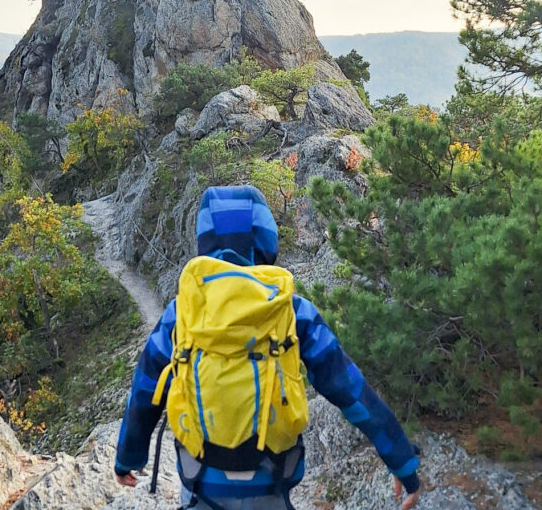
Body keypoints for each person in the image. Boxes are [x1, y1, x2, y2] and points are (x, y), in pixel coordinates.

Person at [114, 185, 421, 509]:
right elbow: (349, 389)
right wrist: (400, 458)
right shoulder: (291, 310)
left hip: (202, 480)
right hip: (271, 479)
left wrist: (127, 458)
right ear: (265, 238)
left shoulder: (181, 313)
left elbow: (145, 391)